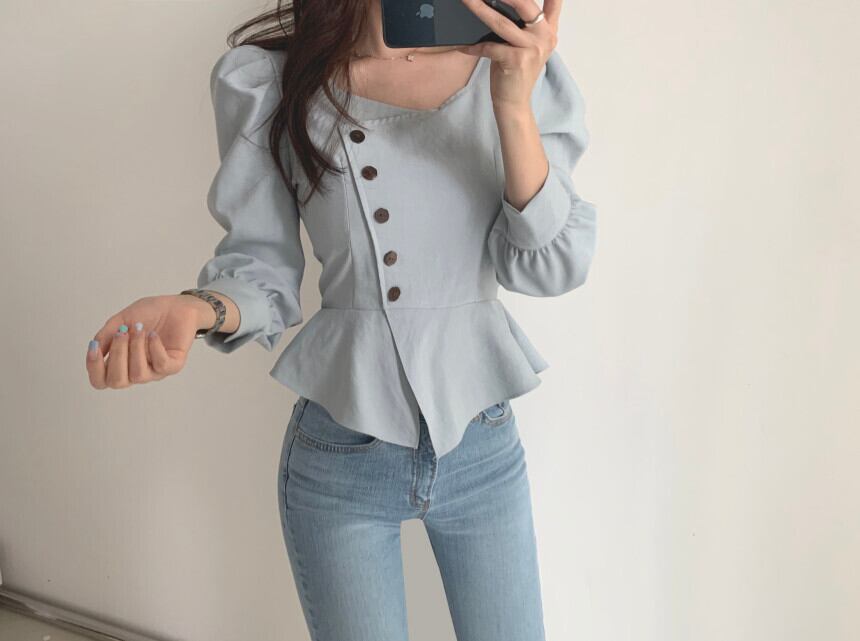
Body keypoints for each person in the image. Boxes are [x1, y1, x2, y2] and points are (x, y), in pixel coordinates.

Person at [85, 0, 596, 638]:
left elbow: (551, 267)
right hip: (342, 450)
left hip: (481, 442)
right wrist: (198, 308)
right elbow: (261, 266)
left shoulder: (519, 68)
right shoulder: (272, 81)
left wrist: (513, 104)